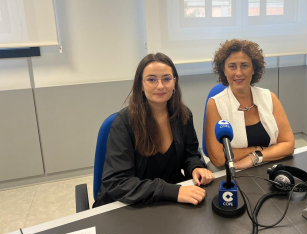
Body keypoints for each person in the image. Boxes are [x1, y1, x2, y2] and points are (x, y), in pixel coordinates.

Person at [93, 53, 214, 208]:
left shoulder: (183, 115)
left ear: (174, 82)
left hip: (171, 201)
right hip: (130, 204)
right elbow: (118, 182)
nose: (160, 86)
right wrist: (172, 191)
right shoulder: (124, 123)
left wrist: (196, 167)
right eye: (151, 79)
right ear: (140, 85)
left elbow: (190, 153)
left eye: (166, 78)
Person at [205, 39, 295, 170]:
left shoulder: (269, 97)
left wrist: (254, 157)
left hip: (270, 167)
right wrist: (260, 149)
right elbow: (219, 157)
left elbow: (288, 144)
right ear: (223, 70)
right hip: (235, 171)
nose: (238, 73)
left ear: (254, 68)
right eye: (232, 66)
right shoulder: (215, 104)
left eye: (244, 65)